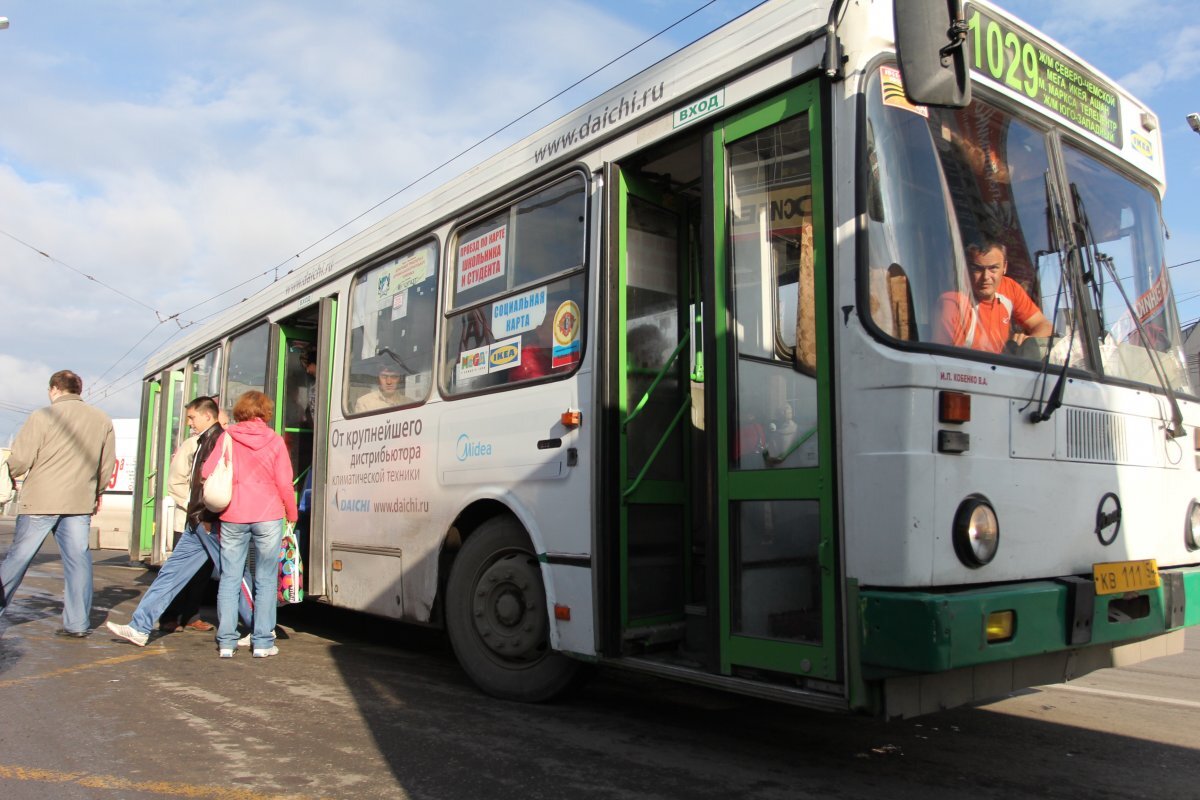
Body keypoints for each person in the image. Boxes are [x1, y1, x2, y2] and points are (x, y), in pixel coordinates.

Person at [105, 397, 253, 647]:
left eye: (192, 417)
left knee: (235, 575)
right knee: (171, 574)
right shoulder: (203, 441)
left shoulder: (215, 440)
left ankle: (261, 626)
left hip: (209, 523)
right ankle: (140, 626)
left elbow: (215, 486)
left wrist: (204, 515)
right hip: (199, 524)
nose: (189, 423)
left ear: (208, 416)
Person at [0, 370, 115, 637]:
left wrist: (12, 474)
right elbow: (106, 466)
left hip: (41, 501)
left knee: (17, 560)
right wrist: (93, 491)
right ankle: (76, 624)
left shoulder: (43, 416)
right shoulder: (101, 419)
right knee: (78, 562)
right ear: (79, 390)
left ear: (54, 389)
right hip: (78, 503)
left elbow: (21, 459)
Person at [203, 390, 297, 658]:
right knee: (266, 580)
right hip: (268, 515)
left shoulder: (228, 437)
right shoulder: (276, 441)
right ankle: (263, 642)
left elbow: (206, 471)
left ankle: (226, 642)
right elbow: (284, 483)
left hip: (233, 515)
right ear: (265, 412)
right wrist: (292, 513)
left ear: (240, 411)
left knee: (230, 578)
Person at [936, 239, 1052, 353]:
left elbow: (1044, 325)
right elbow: (945, 359)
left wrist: (1029, 341)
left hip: (1004, 367)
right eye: (978, 269)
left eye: (993, 268)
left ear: (1004, 267)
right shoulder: (954, 303)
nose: (986, 277)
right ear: (967, 269)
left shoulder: (1010, 288)